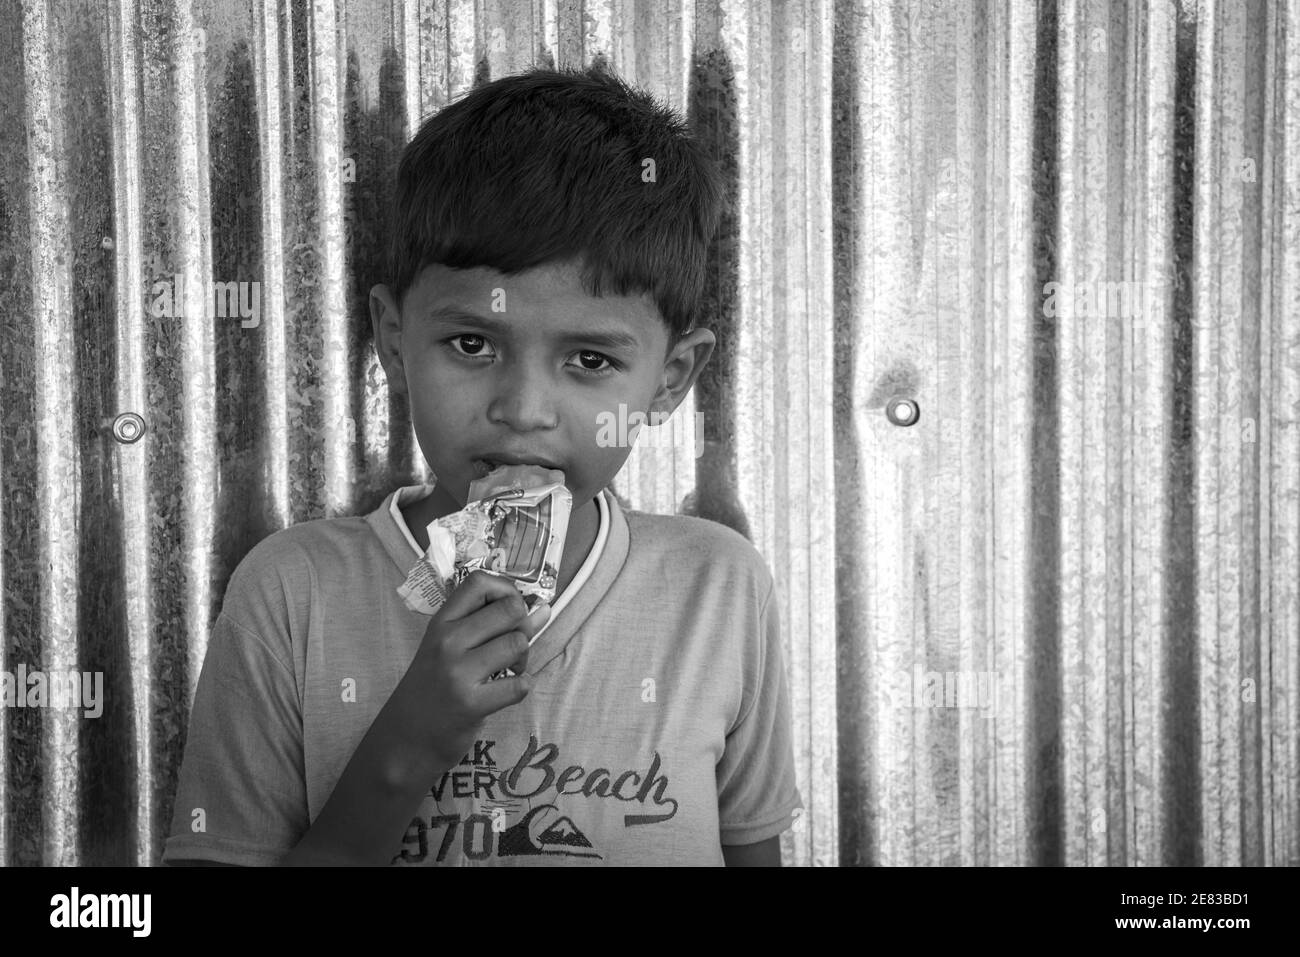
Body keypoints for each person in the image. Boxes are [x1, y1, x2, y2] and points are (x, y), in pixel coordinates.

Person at [163, 64, 802, 867]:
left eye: (591, 358)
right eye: (472, 344)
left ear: (671, 379)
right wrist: (410, 740)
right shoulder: (293, 595)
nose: (523, 407)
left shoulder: (717, 589)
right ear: (395, 339)